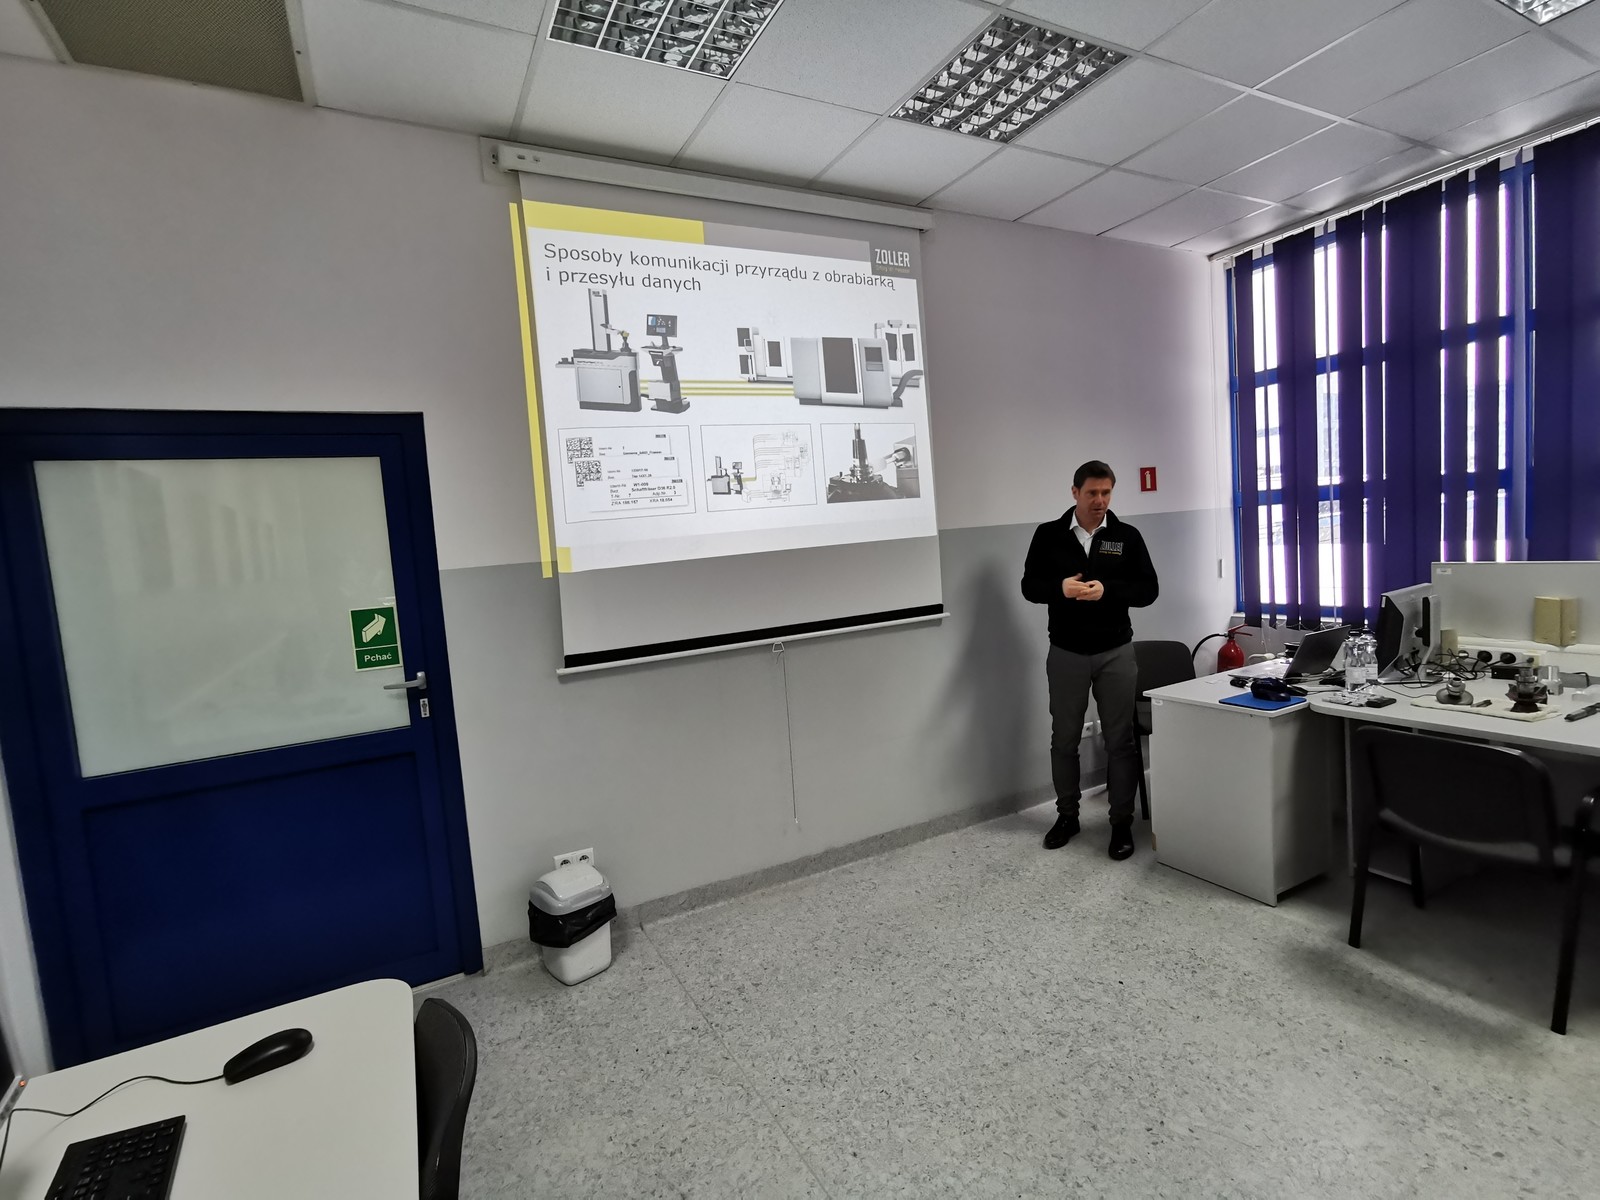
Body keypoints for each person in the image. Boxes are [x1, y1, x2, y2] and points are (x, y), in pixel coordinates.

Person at [1020, 461, 1159, 860]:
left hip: (1116, 652)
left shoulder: (1126, 536)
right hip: (1066, 652)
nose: (1100, 501)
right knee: (1064, 739)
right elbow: (1029, 586)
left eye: (1106, 493)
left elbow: (1148, 590)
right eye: (1092, 493)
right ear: (1075, 492)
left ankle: (1120, 823)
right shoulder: (1048, 535)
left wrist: (1108, 590)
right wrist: (1060, 588)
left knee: (1121, 741)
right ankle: (1067, 816)